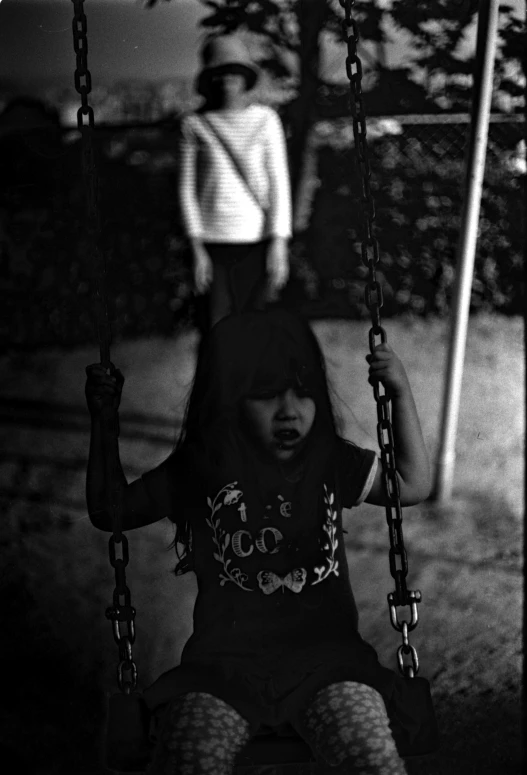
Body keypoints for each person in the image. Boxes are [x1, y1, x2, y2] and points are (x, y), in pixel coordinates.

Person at [85, 309, 431, 775]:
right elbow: (112, 510)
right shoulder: (200, 467)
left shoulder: (328, 459)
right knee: (185, 761)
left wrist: (400, 391)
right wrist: (103, 423)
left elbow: (409, 484)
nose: (289, 409)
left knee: (373, 760)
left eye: (303, 391)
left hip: (328, 667)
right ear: (226, 399)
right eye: (266, 394)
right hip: (222, 673)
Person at [178, 36, 292, 331]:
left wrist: (279, 243)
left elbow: (279, 183)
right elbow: (187, 190)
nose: (227, 78)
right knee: (216, 328)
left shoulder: (266, 120)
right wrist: (196, 248)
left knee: (255, 326)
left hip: (256, 240)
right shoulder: (194, 124)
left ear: (246, 76)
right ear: (209, 77)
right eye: (220, 70)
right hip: (212, 242)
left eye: (234, 70)